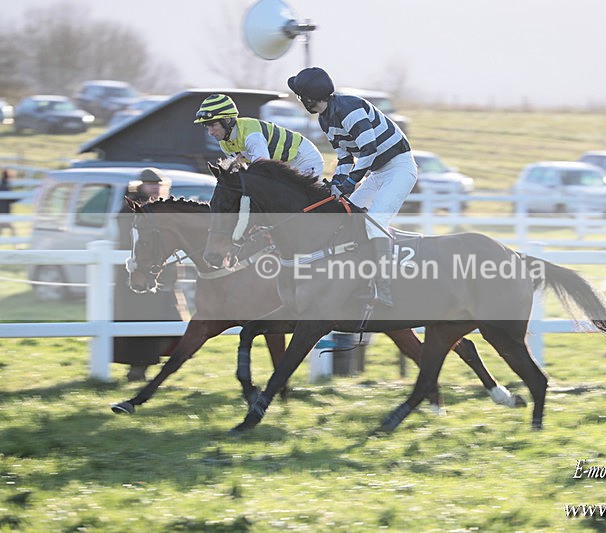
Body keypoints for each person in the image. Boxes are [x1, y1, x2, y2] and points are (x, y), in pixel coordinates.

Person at [288, 67, 417, 306]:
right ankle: (354, 275)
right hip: (378, 173)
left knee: (375, 221)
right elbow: (345, 157)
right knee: (345, 216)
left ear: (308, 98)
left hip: (399, 168)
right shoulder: (325, 119)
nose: (300, 101)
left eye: (300, 96)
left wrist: (348, 183)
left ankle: (383, 286)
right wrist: (337, 184)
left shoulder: (350, 108)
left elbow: (369, 150)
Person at [114, 168, 186, 381]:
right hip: (139, 277)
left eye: (157, 184)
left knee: (174, 325)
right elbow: (132, 243)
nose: (154, 187)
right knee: (142, 327)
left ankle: (159, 368)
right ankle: (138, 370)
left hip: (163, 277)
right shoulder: (131, 210)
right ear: (141, 186)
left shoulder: (163, 208)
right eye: (150, 184)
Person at [193, 93, 323, 178]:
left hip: (303, 158)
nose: (210, 132)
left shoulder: (252, 135)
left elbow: (263, 170)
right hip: (284, 165)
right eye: (207, 126)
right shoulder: (224, 142)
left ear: (227, 120)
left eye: (213, 125)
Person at [0, 169, 17, 238]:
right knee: (11, 228)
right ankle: (17, 246)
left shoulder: (2, 186)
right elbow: (12, 199)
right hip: (4, 212)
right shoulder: (6, 187)